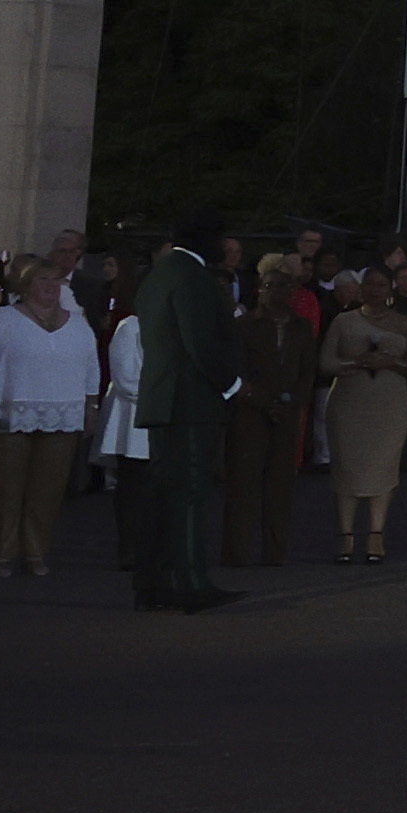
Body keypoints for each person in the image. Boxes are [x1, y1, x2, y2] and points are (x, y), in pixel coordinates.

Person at [122, 215, 234, 610]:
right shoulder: (192, 277)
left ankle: (150, 583)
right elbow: (199, 342)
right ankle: (191, 583)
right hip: (188, 399)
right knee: (187, 493)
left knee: (159, 494)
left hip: (164, 398)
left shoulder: (159, 275)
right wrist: (232, 384)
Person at [0, 258, 93, 580]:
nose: (50, 285)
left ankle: (35, 551)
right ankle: (2, 552)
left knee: (47, 492)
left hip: (62, 415)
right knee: (5, 490)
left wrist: (91, 408)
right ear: (27, 285)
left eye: (56, 279)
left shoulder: (78, 324)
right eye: (43, 279)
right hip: (8, 415)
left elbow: (91, 371)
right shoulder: (2, 320)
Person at [321, 262, 407, 565]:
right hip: (349, 401)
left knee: (383, 467)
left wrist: (390, 362)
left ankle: (376, 534)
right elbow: (326, 363)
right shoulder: (343, 321)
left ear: (390, 287)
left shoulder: (403, 323)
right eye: (369, 284)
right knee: (347, 467)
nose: (374, 290)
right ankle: (345, 534)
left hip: (389, 403)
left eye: (381, 284)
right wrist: (357, 363)